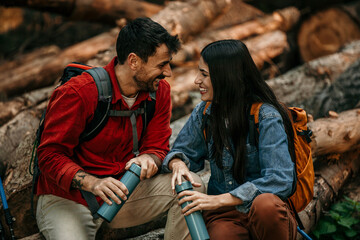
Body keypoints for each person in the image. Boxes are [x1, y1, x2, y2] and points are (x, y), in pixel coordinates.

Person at [36, 17, 204, 240]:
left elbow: (157, 146)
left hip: (124, 191)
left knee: (192, 186)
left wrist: (150, 158)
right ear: (133, 61)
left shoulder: (159, 91)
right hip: (69, 198)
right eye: (161, 64)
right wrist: (93, 183)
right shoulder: (79, 93)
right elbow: (49, 155)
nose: (168, 72)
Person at [162, 39, 298, 240]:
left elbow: (280, 179)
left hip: (264, 213)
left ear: (226, 77)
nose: (196, 81)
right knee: (221, 235)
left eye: (204, 74)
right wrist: (178, 163)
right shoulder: (205, 113)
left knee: (265, 205)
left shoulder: (266, 116)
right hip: (225, 217)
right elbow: (182, 151)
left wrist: (219, 200)